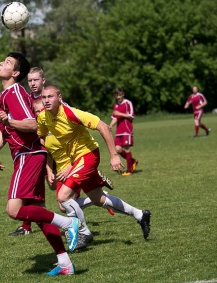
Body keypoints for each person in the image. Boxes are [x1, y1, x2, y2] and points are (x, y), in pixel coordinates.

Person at [0, 52, 80, 276]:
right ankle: (64, 263)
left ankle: (68, 223)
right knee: (38, 212)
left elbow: (32, 124)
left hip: (28, 154)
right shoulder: (7, 94)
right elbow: (10, 127)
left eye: (8, 63)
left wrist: (9, 120)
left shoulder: (14, 92)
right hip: (28, 154)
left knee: (15, 210)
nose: (1, 63)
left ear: (16, 73)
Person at [37, 85, 151, 243]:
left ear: (60, 98)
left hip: (88, 155)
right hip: (76, 159)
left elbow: (103, 126)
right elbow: (41, 136)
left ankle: (84, 233)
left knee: (63, 197)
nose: (47, 100)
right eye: (44, 97)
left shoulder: (71, 113)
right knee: (98, 199)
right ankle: (140, 214)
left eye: (50, 97)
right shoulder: (43, 117)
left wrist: (114, 156)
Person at [33, 98, 115, 251]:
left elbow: (74, 148)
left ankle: (83, 233)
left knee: (64, 199)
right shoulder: (45, 125)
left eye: (40, 109)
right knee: (64, 205)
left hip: (72, 166)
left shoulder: (61, 122)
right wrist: (49, 171)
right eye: (36, 111)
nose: (39, 112)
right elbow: (49, 153)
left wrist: (70, 167)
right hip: (60, 169)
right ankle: (99, 195)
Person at [8, 67, 46, 237]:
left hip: (52, 149)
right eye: (30, 80)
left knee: (62, 193)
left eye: (36, 80)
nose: (32, 83)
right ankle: (27, 226)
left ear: (43, 80)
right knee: (34, 194)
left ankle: (75, 223)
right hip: (38, 151)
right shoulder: (26, 99)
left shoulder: (49, 98)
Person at [109, 88, 138, 176]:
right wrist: (110, 125)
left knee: (126, 148)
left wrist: (120, 114)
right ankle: (132, 161)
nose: (119, 97)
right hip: (119, 131)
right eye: (117, 95)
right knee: (117, 149)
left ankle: (129, 170)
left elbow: (131, 116)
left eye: (120, 95)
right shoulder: (116, 106)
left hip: (126, 129)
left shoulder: (127, 103)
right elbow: (115, 117)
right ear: (115, 96)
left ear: (123, 94)